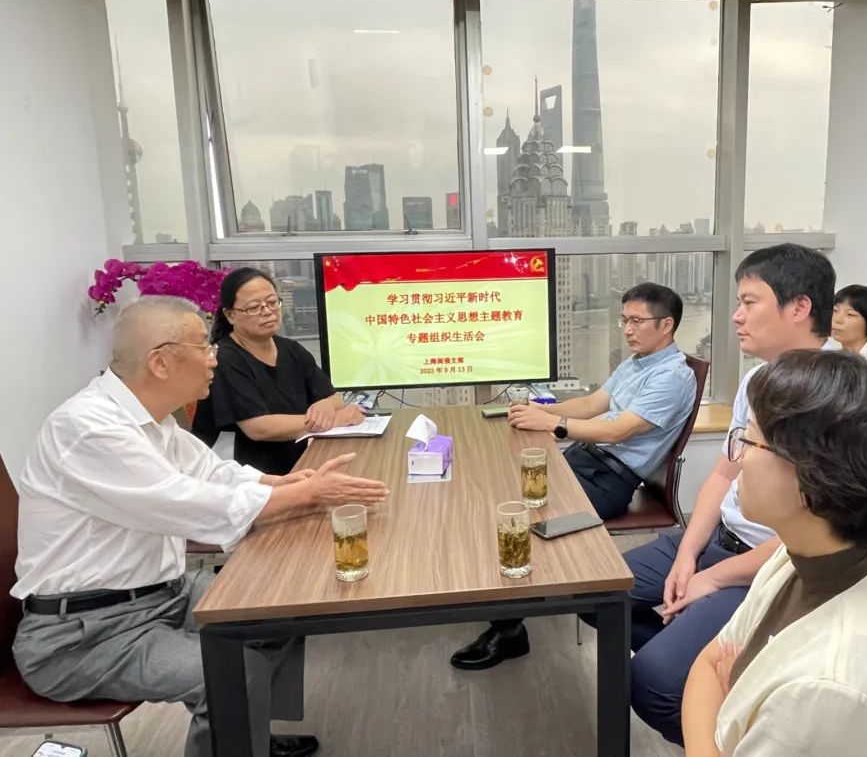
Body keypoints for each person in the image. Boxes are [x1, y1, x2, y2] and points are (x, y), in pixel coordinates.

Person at [12, 297, 390, 757]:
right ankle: (241, 727)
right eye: (205, 347)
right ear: (160, 362)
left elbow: (212, 473)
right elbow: (186, 504)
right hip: (85, 635)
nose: (215, 359)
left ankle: (248, 735)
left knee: (282, 608)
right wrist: (306, 494)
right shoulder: (89, 428)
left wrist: (286, 482)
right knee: (236, 675)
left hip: (162, 594)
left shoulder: (149, 421)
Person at [621, 243, 837, 745]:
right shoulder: (758, 379)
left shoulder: (837, 394)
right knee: (598, 593)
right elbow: (723, 473)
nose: (736, 316)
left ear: (799, 307)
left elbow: (818, 533)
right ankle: (714, 672)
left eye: (749, 302)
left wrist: (712, 579)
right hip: (722, 538)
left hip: (773, 566)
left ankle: (728, 720)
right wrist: (688, 555)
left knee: (652, 684)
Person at [681, 351, 867, 757]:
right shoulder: (810, 552)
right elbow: (707, 663)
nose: (739, 458)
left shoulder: (831, 687)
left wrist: (732, 697)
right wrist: (731, 713)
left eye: (750, 441)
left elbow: (716, 674)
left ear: (814, 480)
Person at [450, 282, 697, 671]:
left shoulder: (672, 376)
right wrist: (541, 410)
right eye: (624, 320)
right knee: (498, 491)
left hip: (610, 479)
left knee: (520, 521)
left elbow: (619, 431)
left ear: (666, 325)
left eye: (636, 321)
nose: (627, 329)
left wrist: (554, 425)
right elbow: (592, 403)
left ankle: (508, 630)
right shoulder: (636, 363)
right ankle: (502, 608)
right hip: (586, 460)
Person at [193, 267, 364, 475]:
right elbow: (259, 428)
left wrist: (326, 406)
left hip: (300, 463)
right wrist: (334, 420)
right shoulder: (225, 358)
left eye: (272, 302)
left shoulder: (291, 349)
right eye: (254, 307)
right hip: (248, 477)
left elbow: (334, 398)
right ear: (230, 315)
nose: (267, 311)